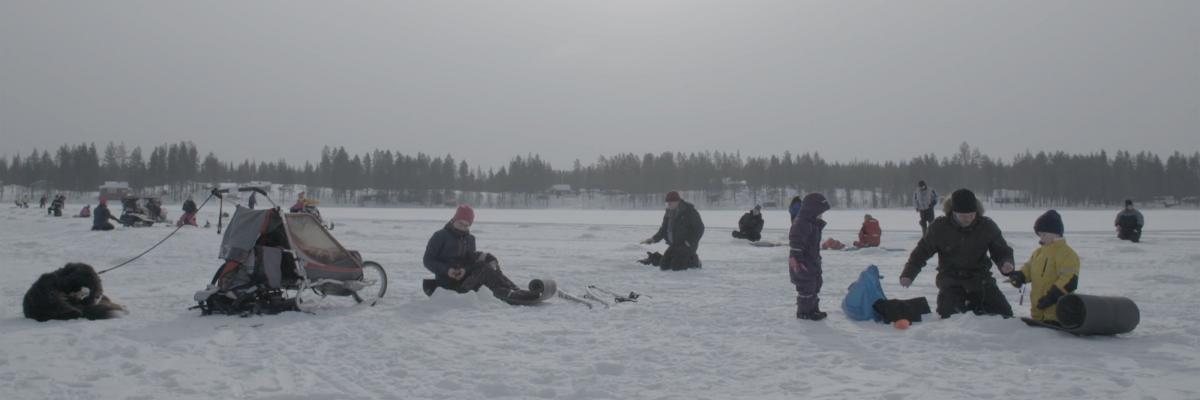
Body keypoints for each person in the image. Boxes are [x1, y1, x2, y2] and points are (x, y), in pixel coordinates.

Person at [900, 189, 1016, 319]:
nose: (968, 219)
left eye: (972, 215)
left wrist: (1006, 263)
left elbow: (1001, 250)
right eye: (963, 216)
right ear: (953, 212)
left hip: (981, 280)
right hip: (951, 281)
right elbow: (921, 252)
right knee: (949, 318)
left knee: (1004, 315)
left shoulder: (986, 226)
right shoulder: (939, 227)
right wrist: (908, 274)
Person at [422, 205, 539, 304]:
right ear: (454, 220)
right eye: (460, 223)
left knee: (489, 264)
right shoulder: (440, 236)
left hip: (465, 279)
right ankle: (509, 294)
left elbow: (469, 262)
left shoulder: (470, 239)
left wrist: (465, 270)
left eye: (467, 225)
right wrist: (447, 270)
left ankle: (514, 290)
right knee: (484, 269)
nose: (463, 227)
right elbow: (428, 260)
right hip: (448, 285)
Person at [1008, 210, 1079, 324]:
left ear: (1056, 233)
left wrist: (1051, 297)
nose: (1041, 238)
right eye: (1039, 235)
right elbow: (1029, 268)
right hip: (1037, 315)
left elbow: (1069, 280)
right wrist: (1019, 276)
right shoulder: (1038, 253)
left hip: (1057, 316)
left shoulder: (1067, 254)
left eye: (1044, 234)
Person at [790, 193, 831, 320]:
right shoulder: (801, 223)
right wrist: (798, 260)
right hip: (801, 262)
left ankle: (813, 309)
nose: (821, 215)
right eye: (819, 212)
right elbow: (796, 242)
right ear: (811, 210)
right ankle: (804, 312)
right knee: (806, 287)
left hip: (812, 260)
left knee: (815, 284)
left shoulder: (812, 223)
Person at [640, 191, 705, 270]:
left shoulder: (689, 211)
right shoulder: (669, 212)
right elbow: (663, 229)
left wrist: (690, 241)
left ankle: (695, 261)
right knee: (664, 266)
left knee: (676, 267)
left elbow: (700, 228)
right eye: (668, 202)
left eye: (671, 202)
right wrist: (653, 239)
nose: (669, 204)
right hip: (674, 245)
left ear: (677, 201)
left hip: (686, 246)